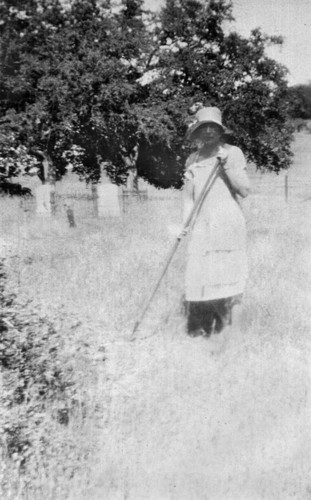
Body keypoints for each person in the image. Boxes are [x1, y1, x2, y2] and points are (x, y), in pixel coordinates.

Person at [183, 106, 250, 337]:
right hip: (203, 227)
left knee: (229, 282)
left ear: (220, 131)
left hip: (227, 224)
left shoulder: (233, 153)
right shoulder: (193, 159)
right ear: (198, 132)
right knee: (202, 280)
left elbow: (244, 190)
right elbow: (188, 198)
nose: (209, 132)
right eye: (204, 127)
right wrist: (184, 225)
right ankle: (205, 332)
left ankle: (232, 335)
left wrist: (227, 166)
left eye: (213, 127)